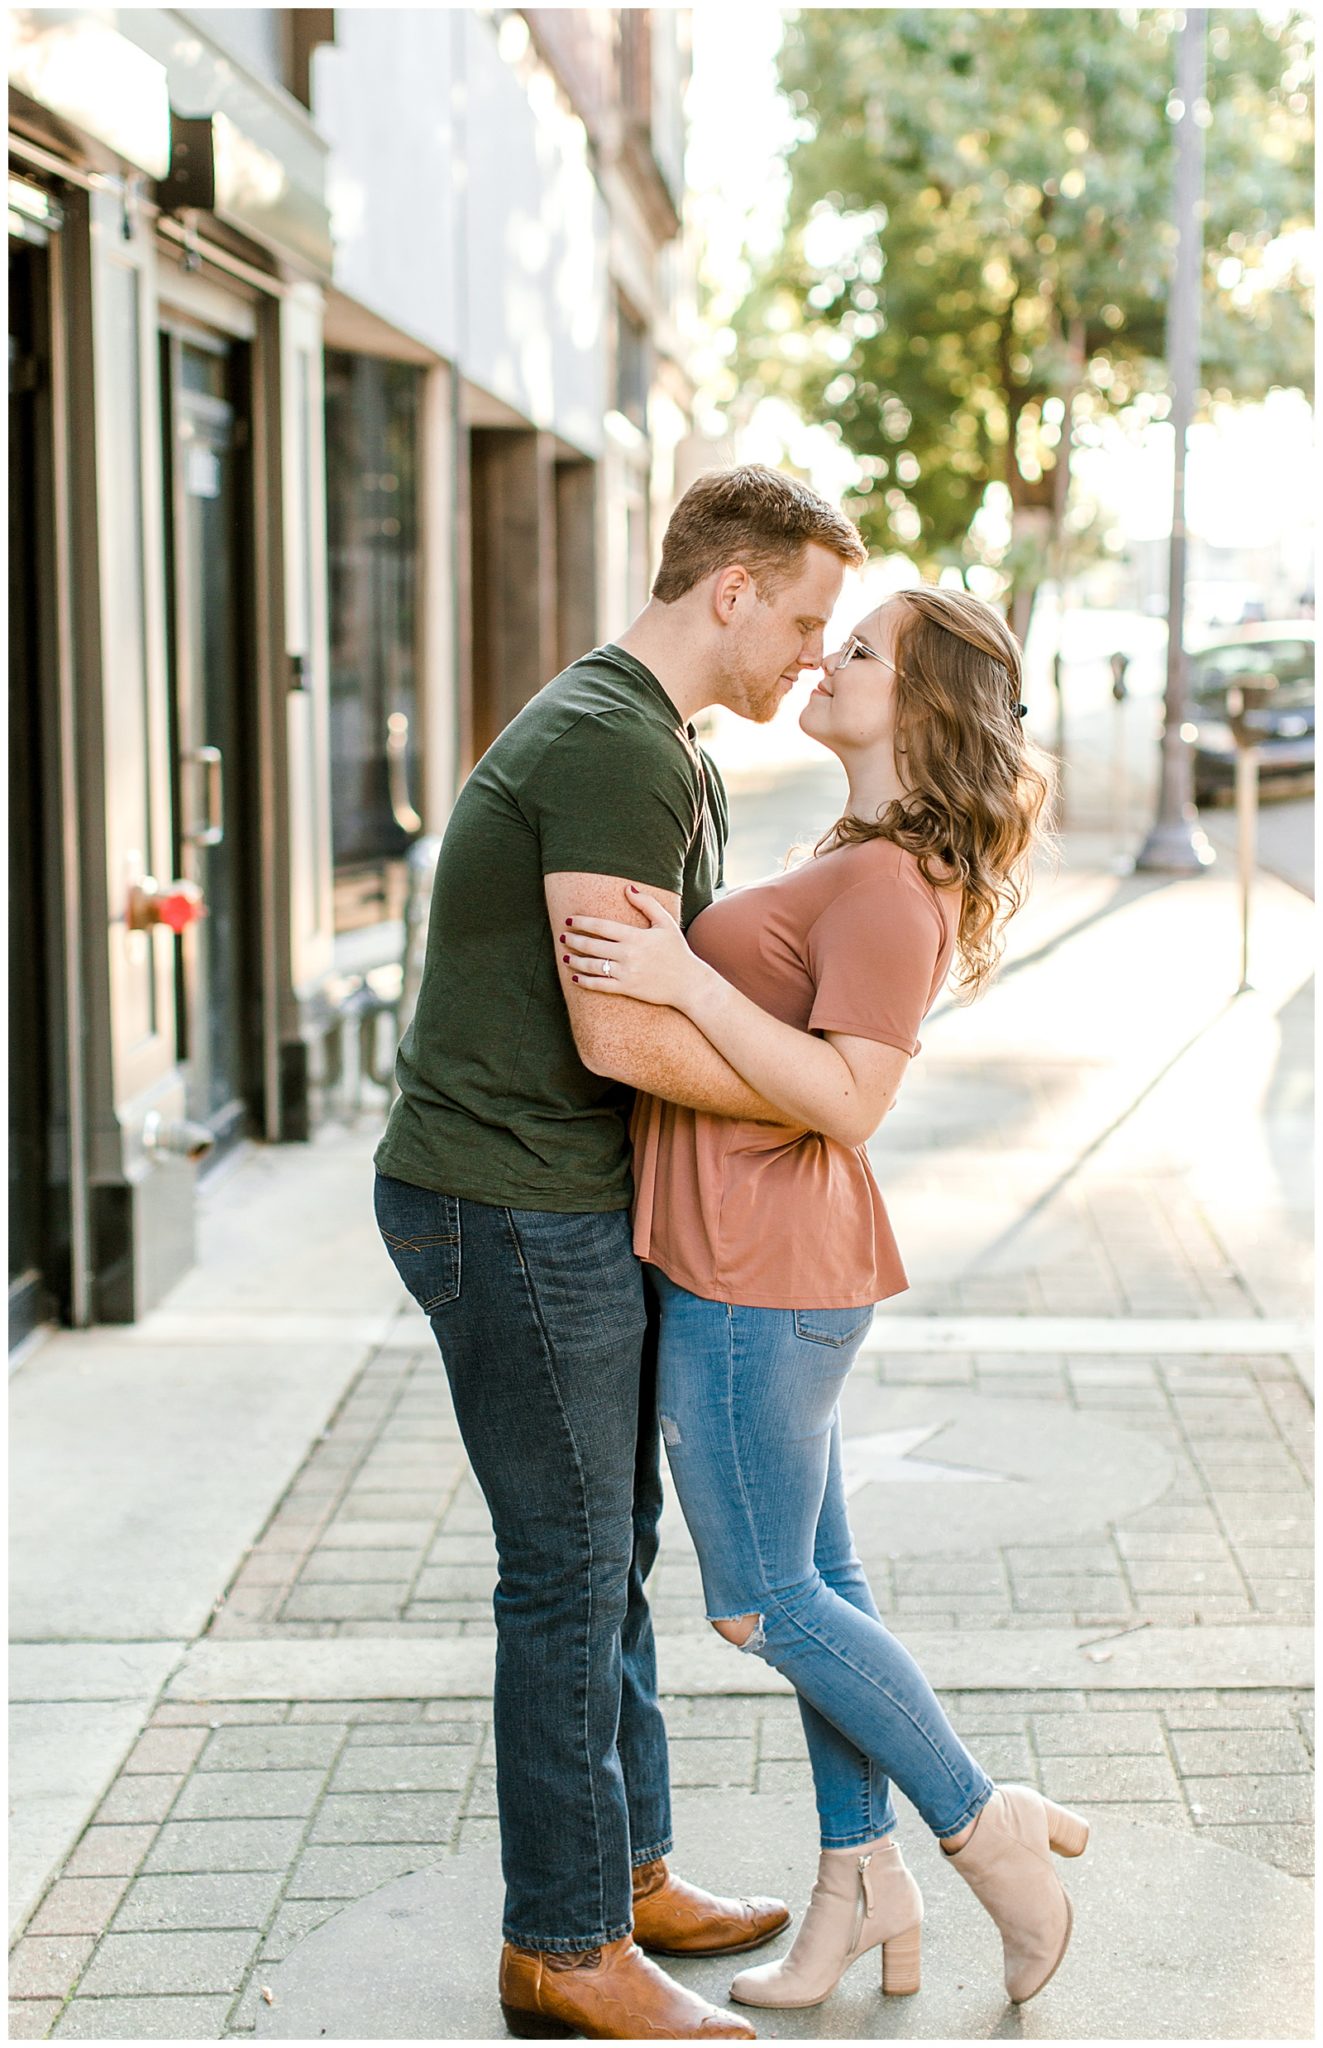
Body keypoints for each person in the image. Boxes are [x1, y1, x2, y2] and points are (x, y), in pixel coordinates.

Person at [373, 465, 868, 2040]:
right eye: (800, 620)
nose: (807, 653)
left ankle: (627, 1872)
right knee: (569, 1568)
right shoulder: (611, 753)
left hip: (551, 1197)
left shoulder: (651, 741)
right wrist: (823, 1105)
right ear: (730, 590)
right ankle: (563, 1945)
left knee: (610, 1547)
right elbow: (621, 1030)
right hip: (509, 1204)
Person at [559, 587, 1090, 2015]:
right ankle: (865, 1884)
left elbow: (851, 1101)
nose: (825, 656)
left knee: (762, 1603)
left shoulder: (884, 883)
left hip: (763, 1271)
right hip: (751, 1257)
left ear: (918, 705)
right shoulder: (854, 852)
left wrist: (678, 974)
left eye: (859, 648)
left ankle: (992, 1833)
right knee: (821, 1584)